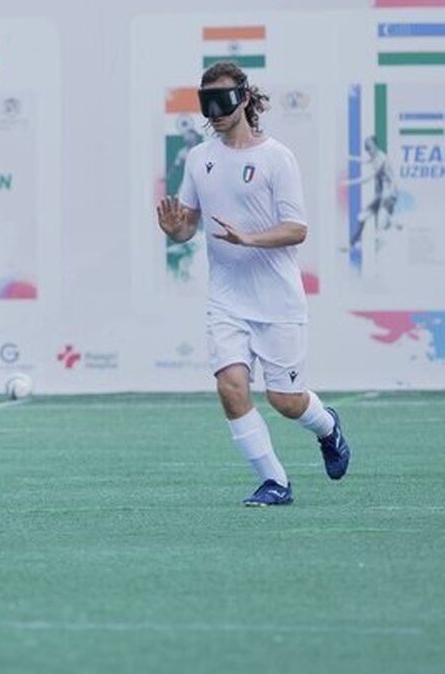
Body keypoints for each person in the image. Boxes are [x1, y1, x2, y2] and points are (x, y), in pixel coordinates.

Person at [156, 61, 351, 506]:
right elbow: (188, 227)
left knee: (285, 400)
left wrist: (250, 239)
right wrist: (175, 230)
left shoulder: (276, 158)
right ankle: (275, 481)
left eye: (223, 101)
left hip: (278, 301)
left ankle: (328, 426)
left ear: (244, 98)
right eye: (206, 103)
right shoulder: (199, 157)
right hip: (226, 300)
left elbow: (297, 229)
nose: (215, 111)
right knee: (231, 388)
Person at [345, 135, 401, 252]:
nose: (367, 150)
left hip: (389, 194)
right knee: (362, 217)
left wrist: (349, 183)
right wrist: (350, 158)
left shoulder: (382, 159)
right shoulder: (375, 157)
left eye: (369, 147)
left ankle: (390, 229)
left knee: (381, 224)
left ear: (375, 146)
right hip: (380, 194)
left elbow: (369, 177)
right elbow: (365, 161)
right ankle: (352, 244)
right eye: (366, 148)